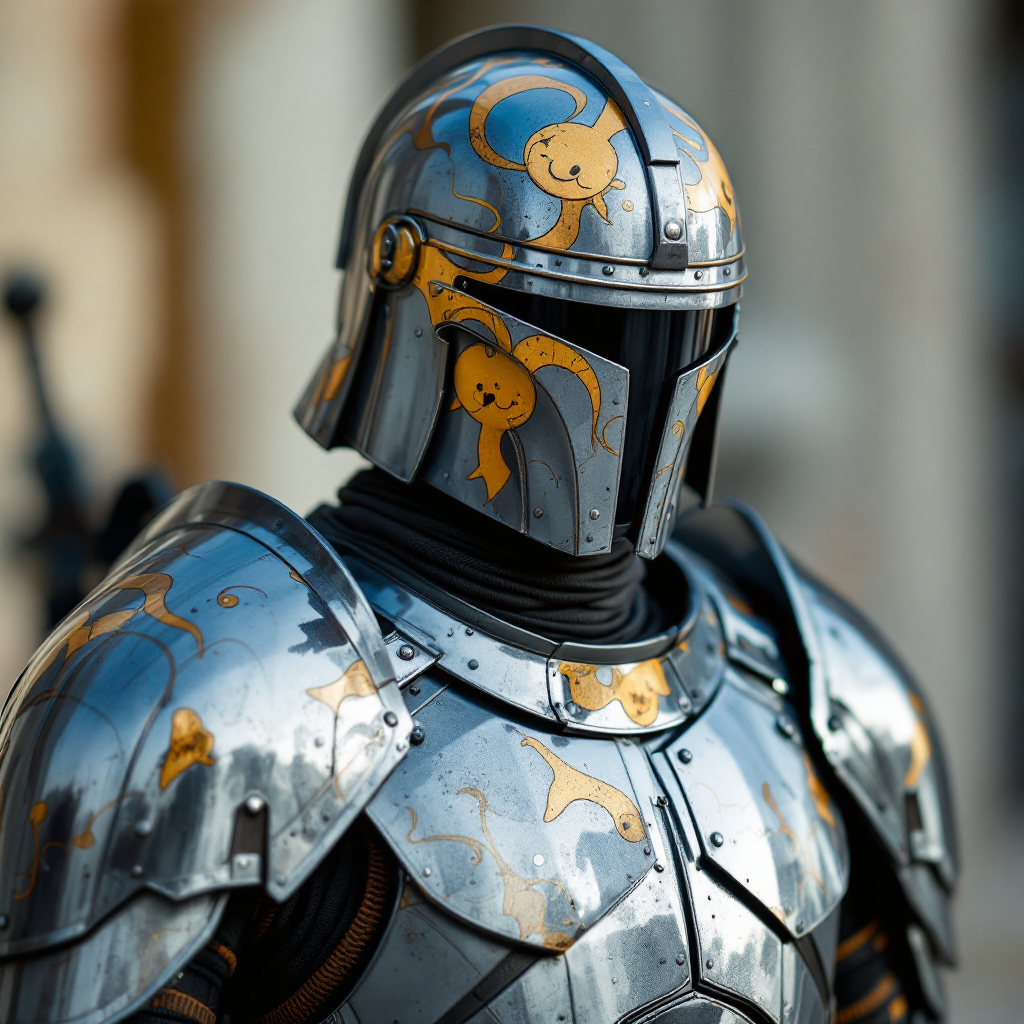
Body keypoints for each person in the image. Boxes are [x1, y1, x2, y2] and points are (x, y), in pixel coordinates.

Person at [0, 26, 955, 1024]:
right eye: (585, 328)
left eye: (681, 332)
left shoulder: (820, 695)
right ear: (422, 307)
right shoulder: (197, 690)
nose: (645, 390)